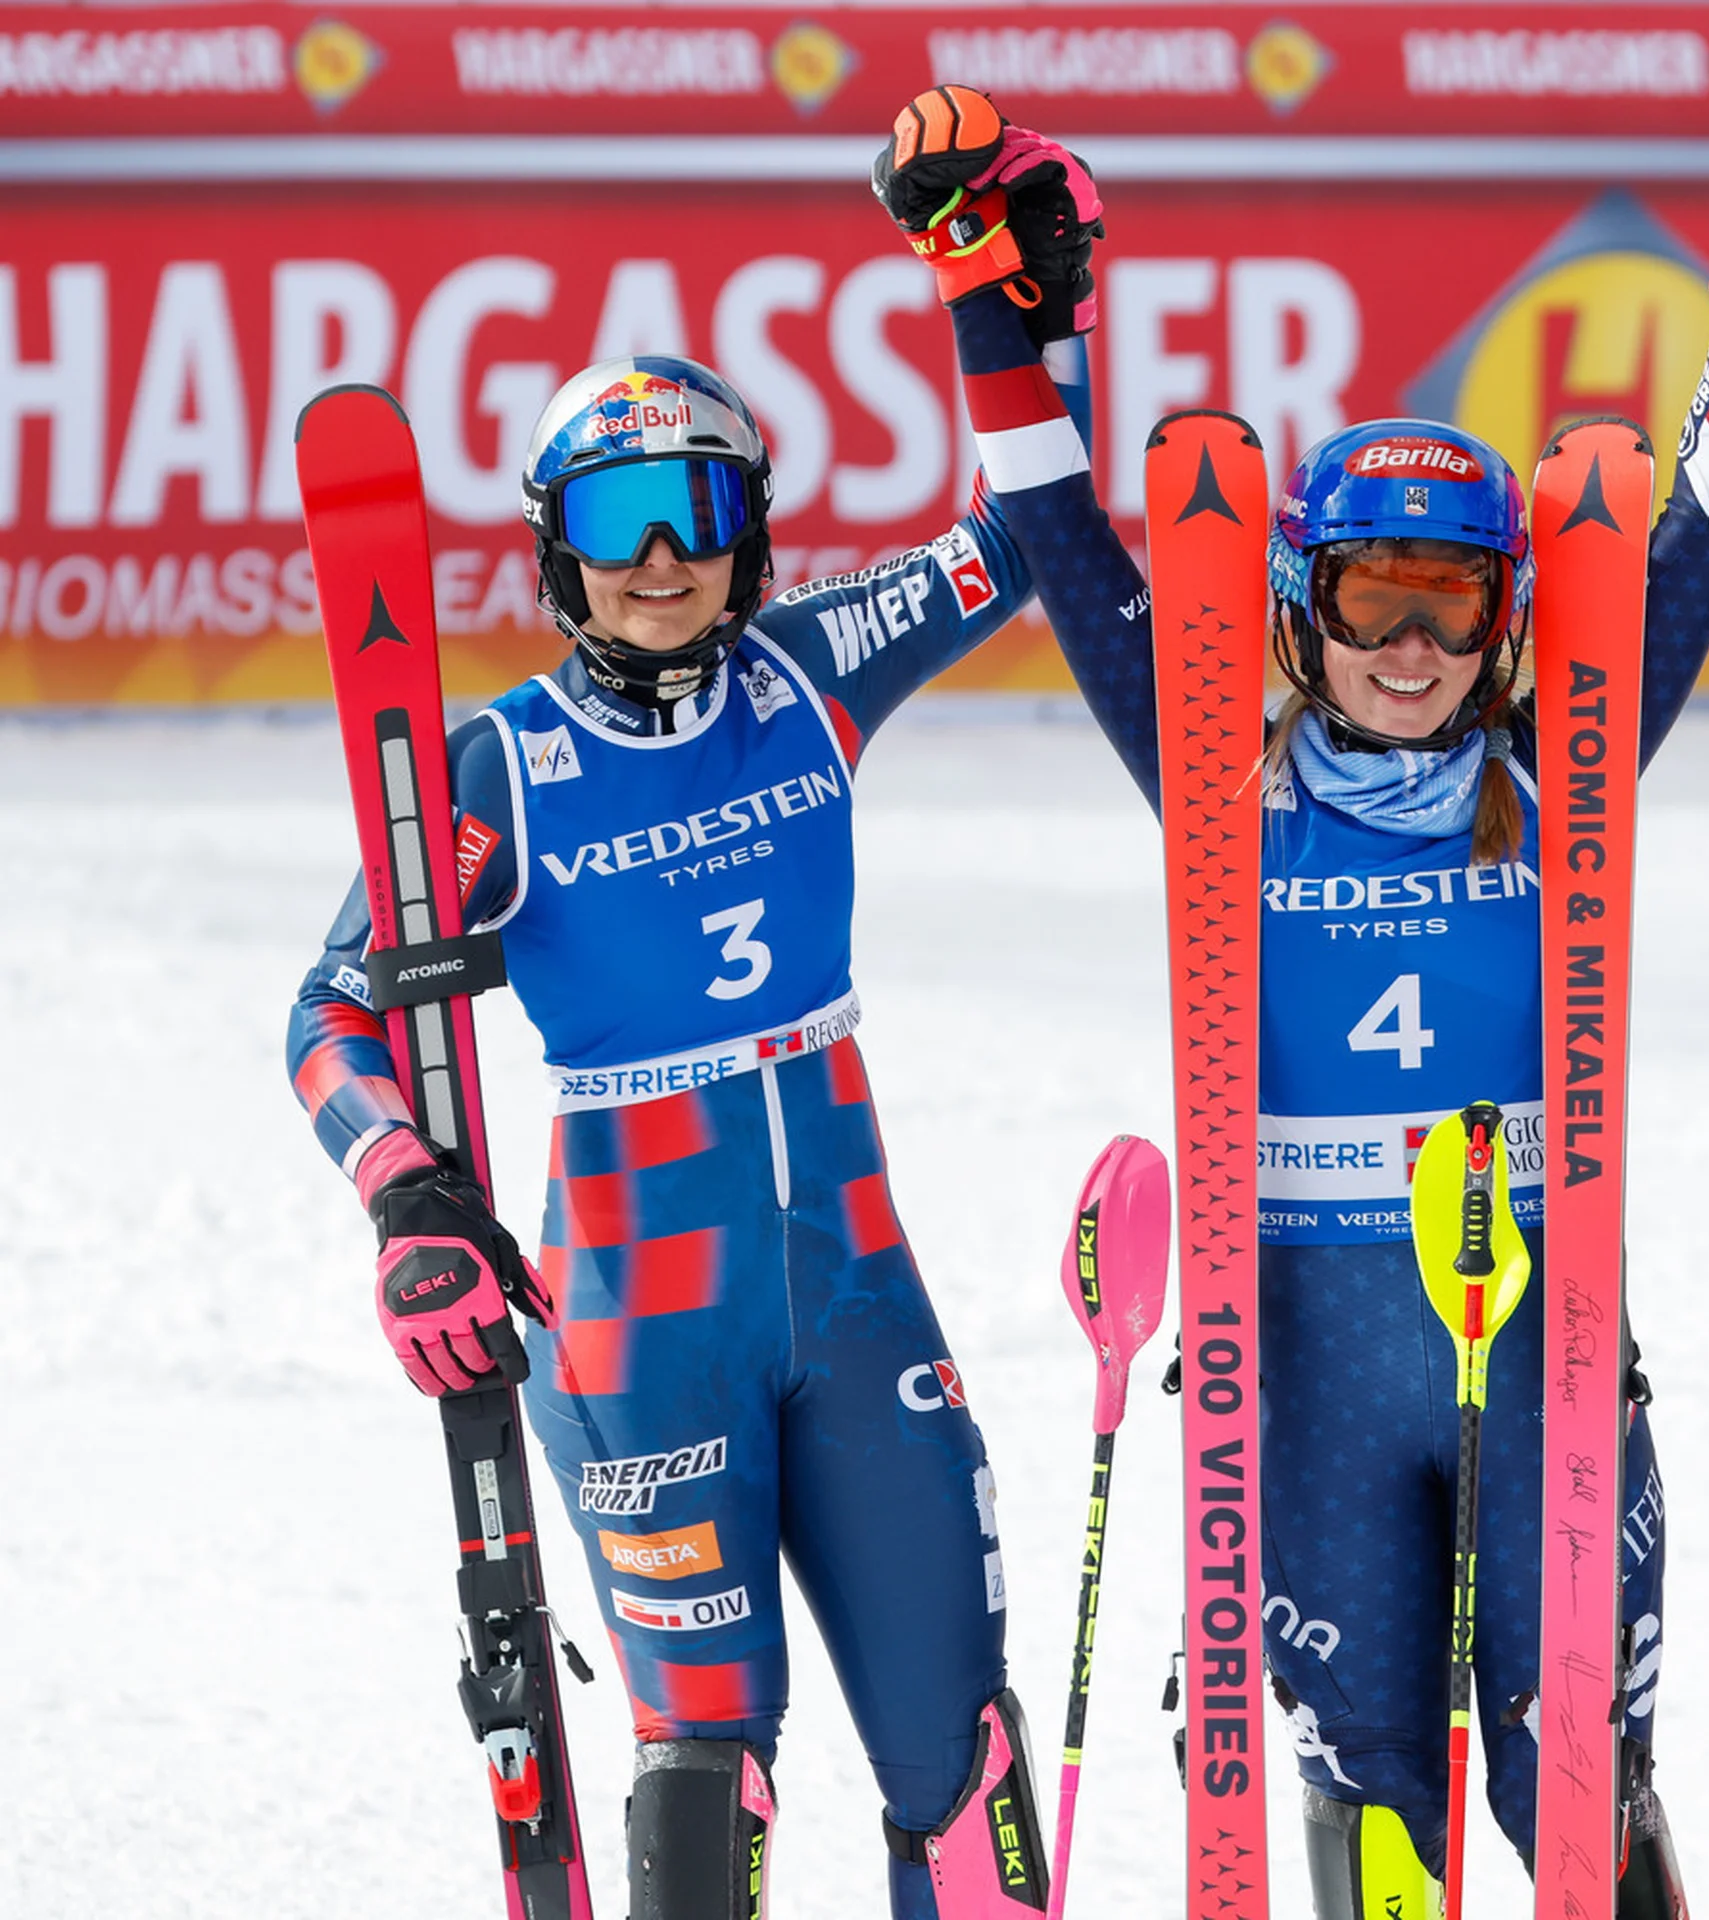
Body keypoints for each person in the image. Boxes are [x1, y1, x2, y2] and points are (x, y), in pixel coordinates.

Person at [871, 86, 1709, 1920]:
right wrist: (993, 296)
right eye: (1374, 601)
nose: (1412, 649)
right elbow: (1067, 538)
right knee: (1365, 1803)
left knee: (1574, 1782)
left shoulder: (1567, 772)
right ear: (1299, 608)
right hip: (1298, 1382)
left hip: (1540, 1353)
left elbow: (1696, 528)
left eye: (1456, 608)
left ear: (1509, 626)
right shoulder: (1220, 770)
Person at [283, 123, 1105, 1917]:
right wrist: (410, 1201)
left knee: (960, 1762)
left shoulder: (811, 672)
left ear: (751, 537)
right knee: (703, 1773)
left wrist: (1035, 311)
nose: (661, 558)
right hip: (641, 1335)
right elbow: (333, 1016)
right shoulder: (499, 764)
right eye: (612, 522)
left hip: (862, 1301)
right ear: (555, 553)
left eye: (698, 514)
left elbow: (1024, 539)